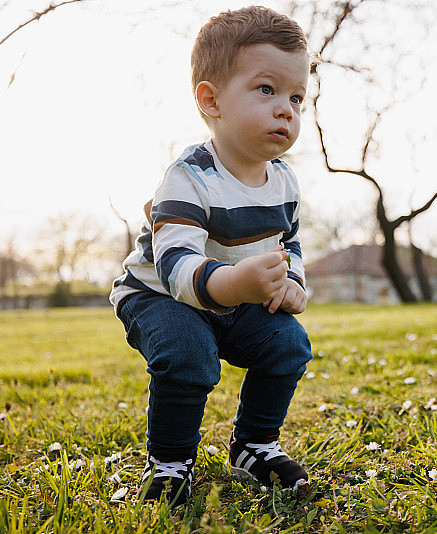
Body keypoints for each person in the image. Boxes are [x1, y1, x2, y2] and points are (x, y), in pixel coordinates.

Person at [109, 6, 313, 506]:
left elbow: (290, 244)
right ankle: (171, 462)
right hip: (161, 295)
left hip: (231, 294)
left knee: (289, 344)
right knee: (188, 355)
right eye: (266, 90)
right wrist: (234, 285)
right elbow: (175, 266)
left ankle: (255, 445)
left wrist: (293, 285)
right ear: (211, 99)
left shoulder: (283, 180)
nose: (286, 108)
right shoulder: (188, 177)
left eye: (296, 97)